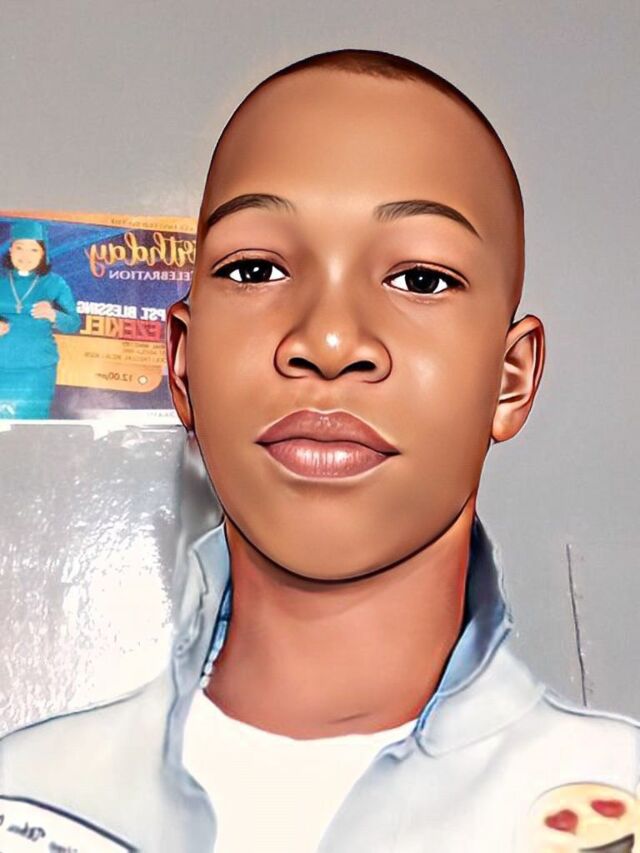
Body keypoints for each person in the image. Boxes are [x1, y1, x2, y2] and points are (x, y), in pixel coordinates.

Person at [0, 49, 638, 852]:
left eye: (421, 280)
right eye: (255, 268)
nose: (329, 341)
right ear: (183, 365)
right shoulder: (26, 803)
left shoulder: (615, 802)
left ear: (510, 379)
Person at [0, 220, 80, 419]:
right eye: (19, 248)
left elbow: (73, 324)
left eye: (33, 250)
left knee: (30, 422)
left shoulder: (55, 283)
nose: (25, 256)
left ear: (43, 253)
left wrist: (53, 314)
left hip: (37, 370)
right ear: (10, 250)